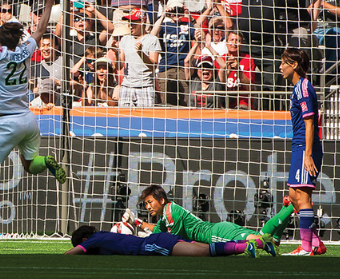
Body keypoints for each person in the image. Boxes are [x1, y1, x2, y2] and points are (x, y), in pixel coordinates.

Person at [0, 0, 66, 234]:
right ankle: (46, 162)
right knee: (30, 166)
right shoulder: (26, 51)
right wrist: (49, 2)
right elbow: (41, 29)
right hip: (29, 119)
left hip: (7, 121)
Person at [134, 184, 290, 252]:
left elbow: (170, 241)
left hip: (216, 235)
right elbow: (157, 229)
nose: (147, 207)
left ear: (161, 200)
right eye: (146, 203)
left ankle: (291, 207)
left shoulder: (170, 214)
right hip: (219, 229)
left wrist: (148, 239)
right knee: (272, 243)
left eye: (149, 202)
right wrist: (136, 222)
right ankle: (286, 208)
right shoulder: (167, 213)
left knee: (259, 240)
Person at [280, 48, 326, 255]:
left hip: (305, 147)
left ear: (295, 65)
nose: (280, 67)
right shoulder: (298, 87)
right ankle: (315, 242)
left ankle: (306, 247)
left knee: (303, 198)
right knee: (293, 194)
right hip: (299, 146)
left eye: (284, 63)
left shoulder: (303, 88)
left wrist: (307, 154)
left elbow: (310, 123)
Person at [65, 226, 257, 257]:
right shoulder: (103, 237)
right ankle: (257, 244)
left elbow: (76, 252)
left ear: (84, 239)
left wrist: (66, 254)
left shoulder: (94, 239)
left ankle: (247, 246)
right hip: (158, 239)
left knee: (203, 253)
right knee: (208, 249)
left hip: (151, 244)